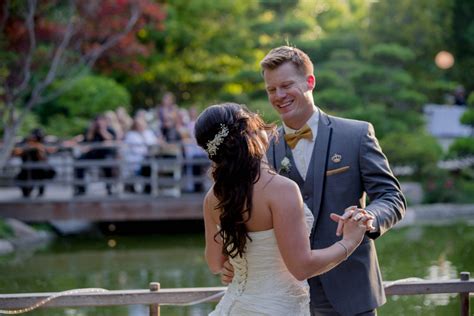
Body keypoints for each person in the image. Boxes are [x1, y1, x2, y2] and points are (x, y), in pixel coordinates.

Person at [219, 46, 406, 315]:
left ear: (310, 82)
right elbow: (245, 209)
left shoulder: (356, 134)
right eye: (271, 89)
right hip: (285, 294)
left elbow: (392, 197)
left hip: (350, 289)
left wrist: (368, 217)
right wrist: (234, 257)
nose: (279, 96)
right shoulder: (260, 150)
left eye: (286, 85)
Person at [195, 102, 372, 315]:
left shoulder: (213, 197)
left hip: (233, 307)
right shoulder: (281, 190)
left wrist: (236, 265)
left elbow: (215, 263)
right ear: (250, 134)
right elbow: (301, 267)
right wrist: (349, 242)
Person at [13, 128, 56, 197]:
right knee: (22, 184)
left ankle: (40, 192)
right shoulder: (25, 144)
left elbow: (43, 158)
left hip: (38, 170)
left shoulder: (41, 145)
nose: (33, 139)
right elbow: (16, 153)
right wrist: (27, 148)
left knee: (41, 177)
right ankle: (28, 192)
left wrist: (38, 148)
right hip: (26, 170)